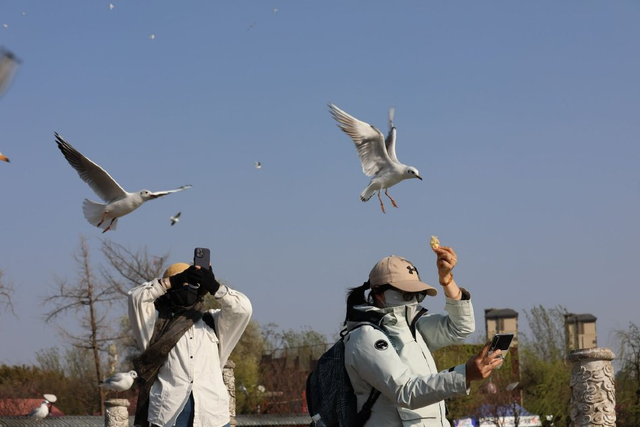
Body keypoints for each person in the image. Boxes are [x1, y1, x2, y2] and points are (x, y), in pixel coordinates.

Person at [343, 245, 503, 426]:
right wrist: (464, 375)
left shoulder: (413, 326)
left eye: (418, 294)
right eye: (406, 294)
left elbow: (461, 327)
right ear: (379, 293)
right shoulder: (364, 337)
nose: (413, 301)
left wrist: (447, 280)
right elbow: (405, 392)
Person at [128, 261, 252, 427]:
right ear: (169, 291)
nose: (186, 288)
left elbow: (243, 309)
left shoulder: (213, 322)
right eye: (182, 284)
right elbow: (136, 298)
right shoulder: (155, 323)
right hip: (168, 416)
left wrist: (214, 286)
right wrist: (173, 281)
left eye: (190, 284)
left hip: (213, 416)